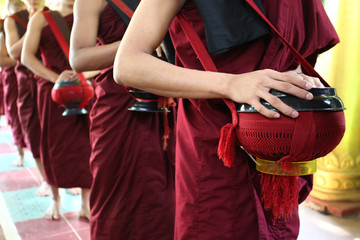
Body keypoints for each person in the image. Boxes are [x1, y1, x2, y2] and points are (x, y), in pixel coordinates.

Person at [113, 0, 339, 239]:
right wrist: (232, 84)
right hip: (216, 147)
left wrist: (300, 77)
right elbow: (128, 64)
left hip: (280, 152)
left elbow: (296, 50)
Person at [69, 0, 175, 239]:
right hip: (119, 105)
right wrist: (138, 43)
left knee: (167, 194)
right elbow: (78, 58)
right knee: (116, 192)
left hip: (172, 97)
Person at [21, 0, 93, 220]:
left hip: (86, 89)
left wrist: (83, 77)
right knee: (53, 144)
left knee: (86, 145)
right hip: (53, 92)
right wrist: (57, 79)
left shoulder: (93, 11)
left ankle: (86, 203)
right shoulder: (42, 18)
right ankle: (55, 199)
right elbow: (26, 57)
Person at [4, 0, 53, 197]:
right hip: (27, 80)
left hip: (50, 77)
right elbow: (14, 52)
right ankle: (46, 179)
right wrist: (35, 26)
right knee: (33, 129)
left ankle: (62, 177)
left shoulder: (53, 14)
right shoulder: (13, 20)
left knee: (56, 132)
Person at [0, 14, 26, 165]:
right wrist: (25, 59)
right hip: (13, 78)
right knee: (15, 115)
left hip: (31, 77)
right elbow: (3, 59)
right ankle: (20, 153)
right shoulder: (4, 35)